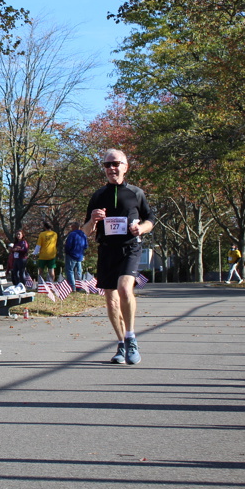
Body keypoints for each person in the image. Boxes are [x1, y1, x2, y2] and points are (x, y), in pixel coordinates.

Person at [82, 149, 155, 366]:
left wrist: (141, 228)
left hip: (130, 248)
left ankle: (131, 338)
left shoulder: (135, 193)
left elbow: (150, 219)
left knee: (124, 289)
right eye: (107, 165)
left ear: (125, 167)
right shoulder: (98, 195)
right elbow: (85, 231)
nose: (111, 168)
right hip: (106, 250)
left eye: (115, 164)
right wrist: (93, 220)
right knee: (111, 300)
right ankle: (121, 343)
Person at [64, 221, 89, 291]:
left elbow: (68, 245)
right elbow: (86, 246)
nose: (71, 228)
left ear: (74, 227)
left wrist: (67, 252)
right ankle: (79, 287)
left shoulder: (72, 234)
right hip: (80, 255)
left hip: (71, 255)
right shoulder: (83, 235)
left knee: (70, 271)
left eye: (72, 226)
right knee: (78, 272)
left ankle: (72, 287)